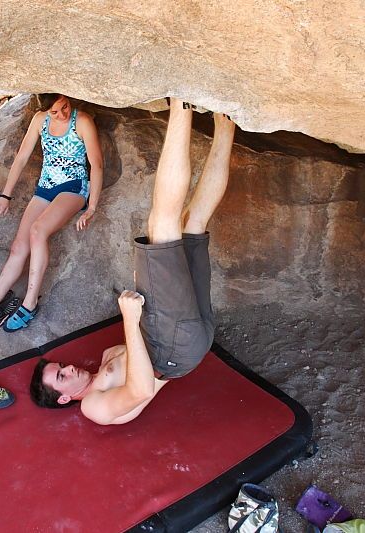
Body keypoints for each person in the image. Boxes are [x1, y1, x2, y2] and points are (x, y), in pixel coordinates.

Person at [29, 98, 236, 425]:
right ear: (64, 397)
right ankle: (181, 105)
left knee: (191, 224)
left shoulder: (103, 363)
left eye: (61, 367)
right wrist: (128, 317)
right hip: (172, 352)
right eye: (62, 377)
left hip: (182, 340)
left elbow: (144, 333)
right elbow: (140, 391)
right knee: (161, 228)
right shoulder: (93, 407)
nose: (69, 368)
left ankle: (226, 123)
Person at [0, 93, 103, 332]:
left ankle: (29, 303)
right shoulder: (39, 120)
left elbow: (97, 164)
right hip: (45, 187)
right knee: (19, 246)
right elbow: (22, 157)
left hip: (73, 187)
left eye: (65, 107)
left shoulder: (82, 122)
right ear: (45, 110)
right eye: (55, 112)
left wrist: (91, 208)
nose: (62, 114)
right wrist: (6, 196)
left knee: (38, 231)